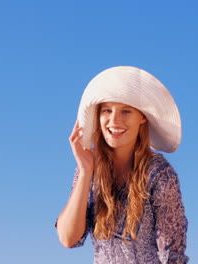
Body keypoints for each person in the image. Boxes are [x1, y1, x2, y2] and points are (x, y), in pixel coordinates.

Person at [56, 66, 189, 264]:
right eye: (107, 110)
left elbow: (173, 258)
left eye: (126, 111)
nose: (114, 120)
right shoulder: (90, 168)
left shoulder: (160, 174)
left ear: (142, 117)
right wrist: (85, 172)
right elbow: (68, 238)